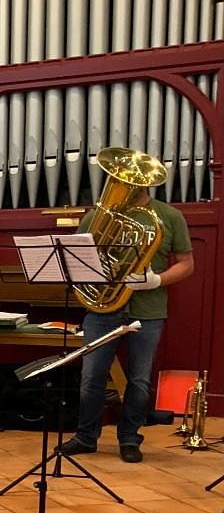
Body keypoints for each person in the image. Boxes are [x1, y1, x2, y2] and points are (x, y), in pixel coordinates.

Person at [59, 189, 194, 463]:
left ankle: (130, 438)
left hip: (148, 310)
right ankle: (85, 437)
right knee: (91, 377)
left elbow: (187, 264)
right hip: (102, 308)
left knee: (139, 380)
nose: (124, 181)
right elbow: (74, 258)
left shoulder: (169, 216)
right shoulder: (98, 215)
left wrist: (157, 280)